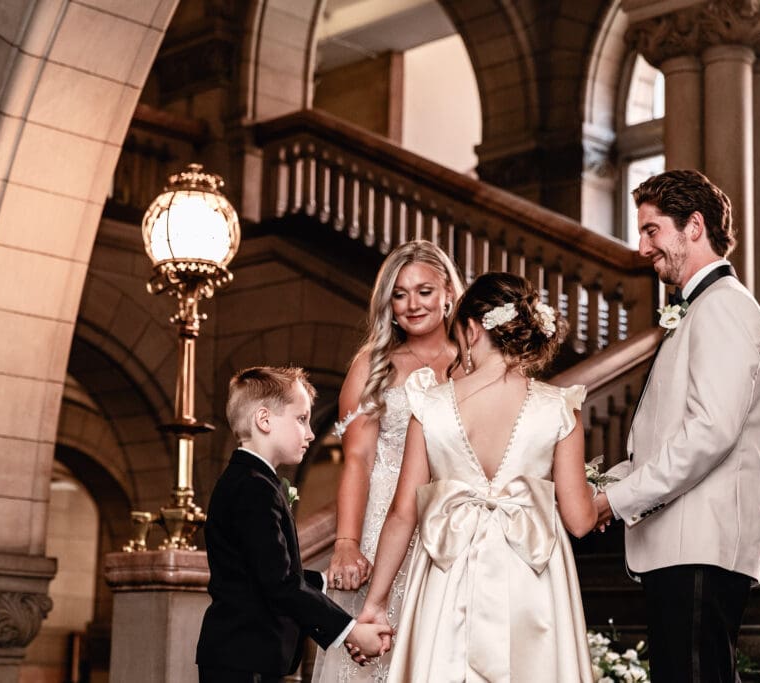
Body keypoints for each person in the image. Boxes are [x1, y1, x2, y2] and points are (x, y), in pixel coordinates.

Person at [357, 272, 597, 682]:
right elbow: (579, 520)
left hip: (449, 574)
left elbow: (402, 513)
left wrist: (374, 606)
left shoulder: (429, 407)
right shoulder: (560, 409)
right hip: (532, 579)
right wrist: (598, 497)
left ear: (471, 330)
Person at [593, 170, 760, 682]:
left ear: (694, 226)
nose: (642, 247)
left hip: (699, 548)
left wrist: (616, 501)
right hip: (682, 547)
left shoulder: (724, 307)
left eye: (652, 230)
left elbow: (709, 433)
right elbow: (671, 435)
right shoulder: (699, 308)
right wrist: (602, 486)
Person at [313, 240, 465, 682]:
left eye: (424, 291)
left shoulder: (473, 361)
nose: (412, 304)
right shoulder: (373, 364)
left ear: (448, 293)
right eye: (400, 295)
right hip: (383, 522)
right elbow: (357, 459)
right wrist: (346, 542)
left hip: (453, 523)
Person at [196, 366, 393, 683]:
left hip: (243, 655)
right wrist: (351, 631)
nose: (311, 433)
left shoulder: (252, 480)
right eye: (301, 419)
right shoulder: (253, 488)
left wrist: (325, 581)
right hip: (245, 658)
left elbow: (264, 573)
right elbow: (280, 584)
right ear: (264, 420)